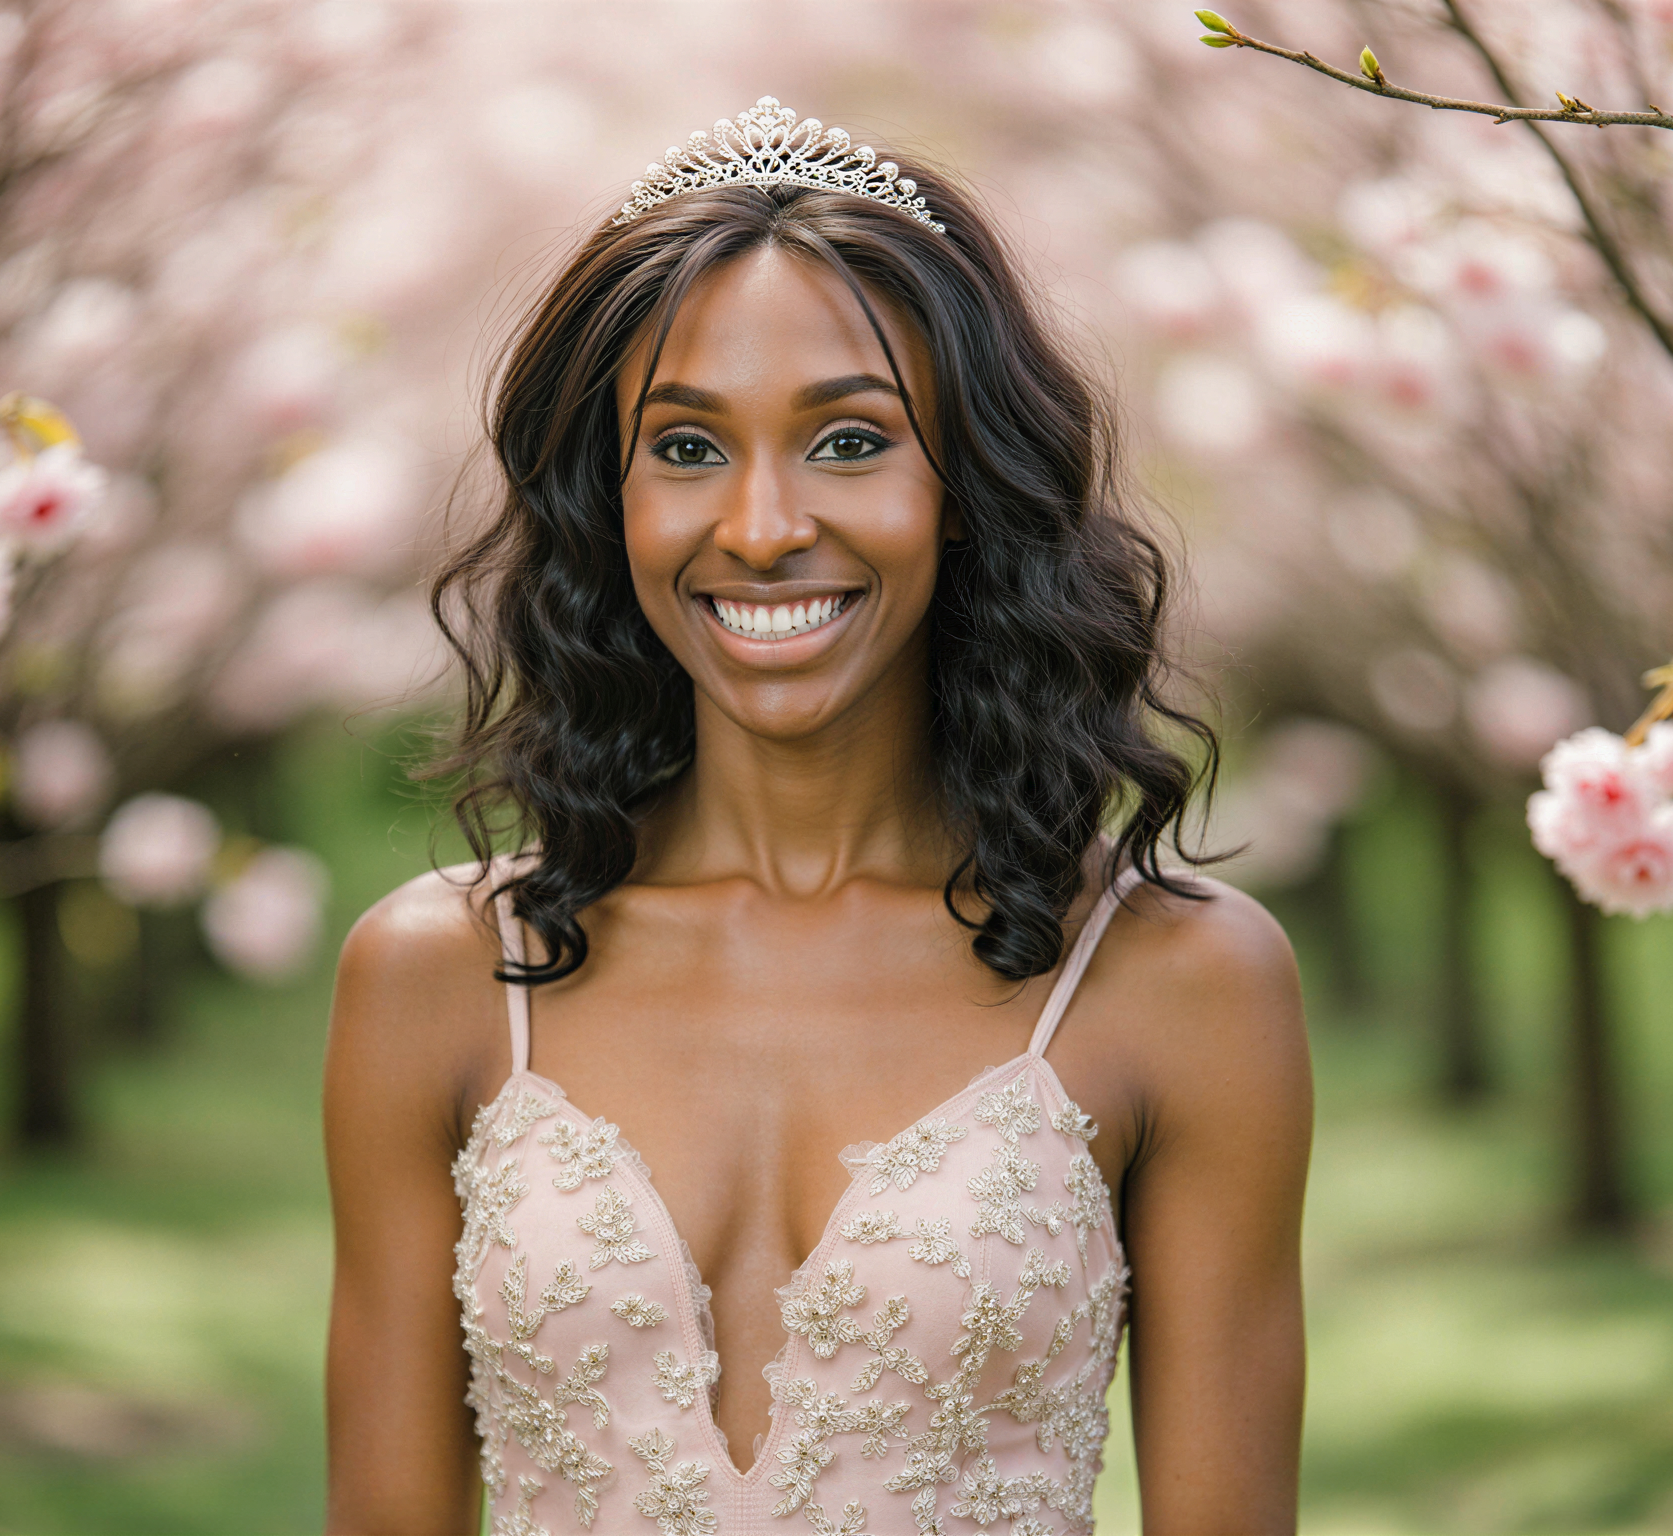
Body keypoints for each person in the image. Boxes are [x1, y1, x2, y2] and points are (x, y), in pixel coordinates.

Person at [323, 99, 1310, 1536]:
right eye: (686, 447)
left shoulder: (1183, 985)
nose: (767, 522)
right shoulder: (435, 978)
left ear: (963, 486)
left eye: (849, 441)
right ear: (613, 498)